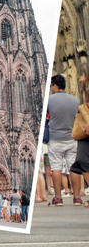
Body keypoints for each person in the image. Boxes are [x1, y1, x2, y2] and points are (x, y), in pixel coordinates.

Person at [47, 74, 82, 205]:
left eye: (51, 86)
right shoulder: (75, 100)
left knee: (56, 168)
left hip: (55, 139)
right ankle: (77, 197)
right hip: (72, 139)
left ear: (55, 86)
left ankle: (58, 198)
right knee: (73, 167)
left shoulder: (50, 100)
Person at [69, 66, 89, 206]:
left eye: (81, 75)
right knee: (79, 163)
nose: (79, 77)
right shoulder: (84, 91)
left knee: (82, 161)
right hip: (84, 132)